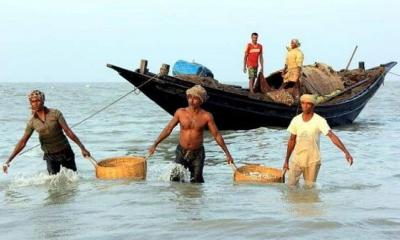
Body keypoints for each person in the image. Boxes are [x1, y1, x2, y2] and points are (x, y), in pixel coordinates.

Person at [148, 85, 234, 183]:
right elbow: (168, 129)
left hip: (197, 154)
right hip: (181, 151)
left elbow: (217, 135)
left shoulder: (206, 116)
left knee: (197, 181)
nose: (191, 100)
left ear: (201, 100)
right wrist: (155, 144)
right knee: (175, 179)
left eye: (195, 98)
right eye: (189, 97)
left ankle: (195, 198)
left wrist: (227, 154)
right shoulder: (180, 112)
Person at [3, 90, 91, 175]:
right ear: (30, 103)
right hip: (50, 156)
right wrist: (8, 161)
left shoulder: (55, 113)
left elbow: (68, 131)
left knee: (73, 180)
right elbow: (23, 142)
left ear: (43, 100)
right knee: (53, 185)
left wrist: (82, 148)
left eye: (38, 100)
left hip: (65, 152)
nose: (36, 103)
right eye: (33, 101)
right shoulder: (32, 122)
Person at [283, 94, 353, 187]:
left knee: (309, 190)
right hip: (296, 159)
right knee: (290, 187)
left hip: (312, 161)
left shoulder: (319, 121)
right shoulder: (296, 120)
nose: (305, 106)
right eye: (303, 103)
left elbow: (332, 136)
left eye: (308, 104)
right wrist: (286, 160)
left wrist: (346, 152)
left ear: (313, 106)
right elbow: (292, 140)